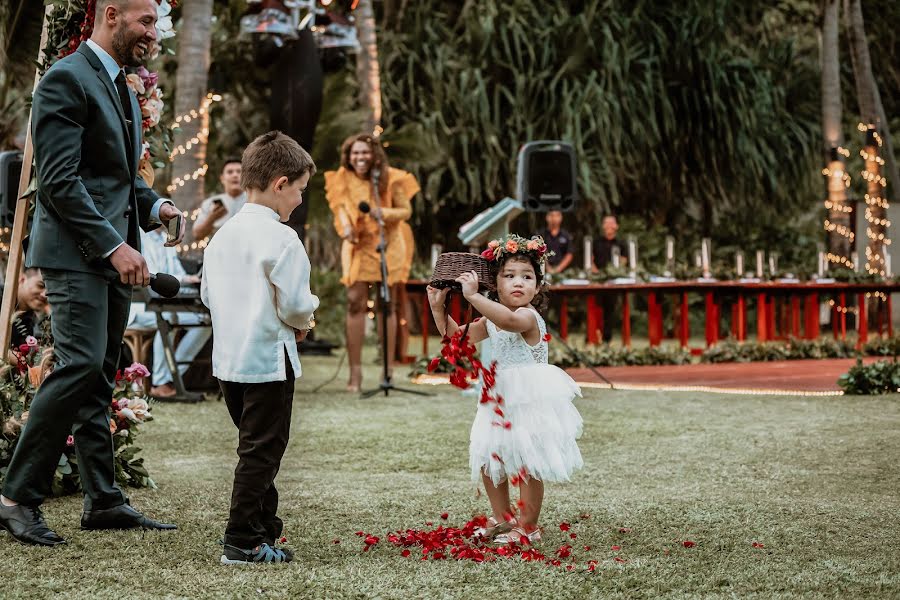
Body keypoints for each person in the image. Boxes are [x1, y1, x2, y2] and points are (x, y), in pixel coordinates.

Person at [0, 0, 184, 546]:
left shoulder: (124, 87)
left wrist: (156, 209)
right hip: (75, 254)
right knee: (77, 365)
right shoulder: (65, 79)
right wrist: (114, 248)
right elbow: (58, 182)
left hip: (110, 254)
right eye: (145, 21)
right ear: (110, 14)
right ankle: (15, 497)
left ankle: (102, 499)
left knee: (101, 371)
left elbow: (119, 180)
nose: (153, 32)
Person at [201, 131, 319, 565]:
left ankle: (265, 528)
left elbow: (208, 297)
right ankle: (241, 539)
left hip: (228, 362)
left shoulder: (222, 237)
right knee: (262, 451)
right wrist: (308, 316)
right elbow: (294, 304)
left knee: (255, 447)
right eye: (300, 191)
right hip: (268, 362)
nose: (299, 201)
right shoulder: (282, 239)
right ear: (280, 184)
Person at [426, 234, 583, 545]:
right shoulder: (491, 318)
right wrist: (438, 308)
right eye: (508, 276)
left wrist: (473, 297)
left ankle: (528, 526)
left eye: (527, 277)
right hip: (499, 396)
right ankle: (503, 518)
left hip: (530, 397)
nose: (518, 283)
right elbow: (458, 338)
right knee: (489, 457)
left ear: (537, 287)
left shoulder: (526, 316)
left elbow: (509, 320)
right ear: (495, 284)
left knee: (528, 461)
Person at [324, 133, 419, 392]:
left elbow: (405, 211)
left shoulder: (393, 178)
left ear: (375, 154)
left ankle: (387, 372)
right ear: (348, 156)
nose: (360, 158)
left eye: (364, 152)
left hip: (389, 244)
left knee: (387, 305)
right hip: (358, 245)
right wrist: (345, 228)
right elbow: (340, 209)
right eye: (355, 153)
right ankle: (354, 375)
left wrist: (383, 213)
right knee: (355, 302)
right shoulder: (341, 178)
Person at [127, 227, 211, 398]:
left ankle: (172, 378)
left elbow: (177, 273)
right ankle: (159, 383)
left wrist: (191, 279)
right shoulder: (140, 237)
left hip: (164, 303)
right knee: (166, 318)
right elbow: (151, 274)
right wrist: (180, 279)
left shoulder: (168, 239)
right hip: (139, 308)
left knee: (205, 321)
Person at [592, 215, 628, 344]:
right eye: (606, 223)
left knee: (610, 310)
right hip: (597, 280)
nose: (608, 226)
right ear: (603, 226)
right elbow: (590, 259)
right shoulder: (596, 241)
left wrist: (614, 272)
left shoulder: (621, 243)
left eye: (611, 223)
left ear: (616, 226)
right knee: (595, 309)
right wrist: (595, 272)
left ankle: (607, 338)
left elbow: (624, 260)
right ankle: (593, 336)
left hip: (614, 281)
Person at [192, 158, 246, 241]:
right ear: (222, 178)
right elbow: (197, 235)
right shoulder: (209, 203)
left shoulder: (256, 200)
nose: (235, 175)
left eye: (239, 172)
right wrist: (212, 218)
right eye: (230, 172)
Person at [539, 210, 574, 276]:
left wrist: (558, 269)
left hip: (563, 272)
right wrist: (547, 268)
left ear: (561, 217)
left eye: (557, 215)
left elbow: (569, 254)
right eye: (552, 215)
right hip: (543, 271)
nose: (554, 218)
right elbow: (539, 252)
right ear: (547, 217)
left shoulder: (566, 235)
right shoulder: (541, 234)